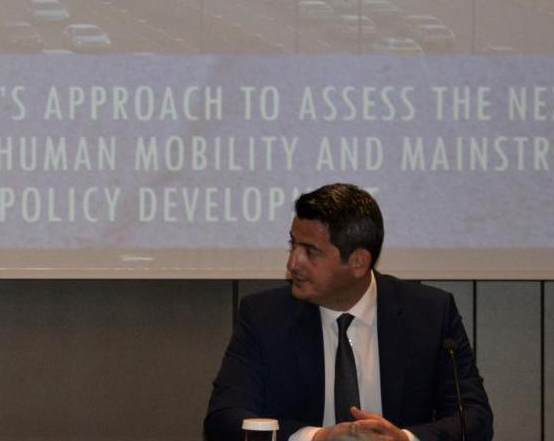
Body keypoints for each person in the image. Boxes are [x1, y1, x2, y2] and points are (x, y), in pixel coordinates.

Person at [204, 183, 492, 441]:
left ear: (358, 262)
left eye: (310, 252)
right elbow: (224, 419)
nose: (293, 263)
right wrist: (316, 438)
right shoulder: (263, 317)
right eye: (293, 245)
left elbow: (474, 418)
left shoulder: (429, 314)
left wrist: (404, 440)